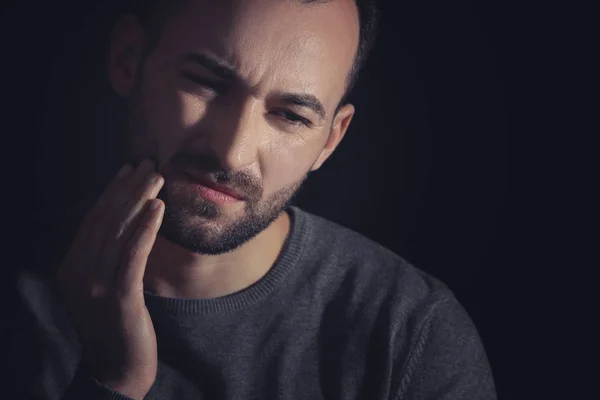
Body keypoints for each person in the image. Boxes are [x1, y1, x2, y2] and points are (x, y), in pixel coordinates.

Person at [12, 0, 497, 399]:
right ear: (128, 60)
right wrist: (112, 384)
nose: (232, 151)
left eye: (290, 116)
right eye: (206, 82)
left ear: (331, 139)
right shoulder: (18, 295)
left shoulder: (411, 335)